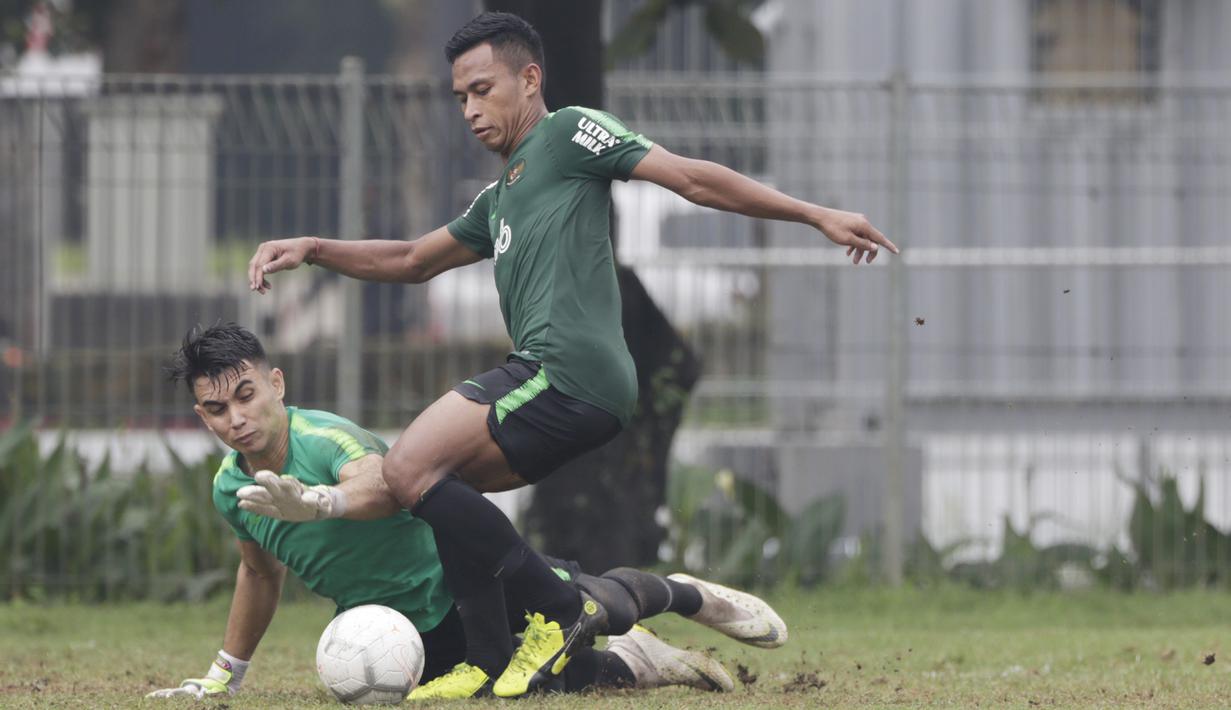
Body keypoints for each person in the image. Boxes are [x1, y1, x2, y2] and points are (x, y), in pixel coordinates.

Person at [246, 11, 887, 699]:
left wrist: (814, 214)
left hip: (567, 371)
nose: (469, 109)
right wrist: (314, 249)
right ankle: (494, 657)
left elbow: (690, 179)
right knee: (439, 493)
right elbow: (410, 259)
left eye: (482, 89)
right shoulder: (500, 198)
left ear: (529, 79)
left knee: (405, 468)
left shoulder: (570, 132)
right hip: (560, 382)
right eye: (459, 96)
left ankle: (561, 610)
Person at [146, 323, 787, 701]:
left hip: (473, 575)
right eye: (216, 409)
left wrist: (321, 503)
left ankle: (682, 594)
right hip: (408, 631)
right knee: (560, 683)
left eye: (246, 396)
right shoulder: (231, 489)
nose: (236, 419)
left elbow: (382, 482)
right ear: (201, 414)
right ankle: (649, 661)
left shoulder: (320, 439)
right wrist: (223, 676)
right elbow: (259, 574)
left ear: (277, 383)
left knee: (590, 604)